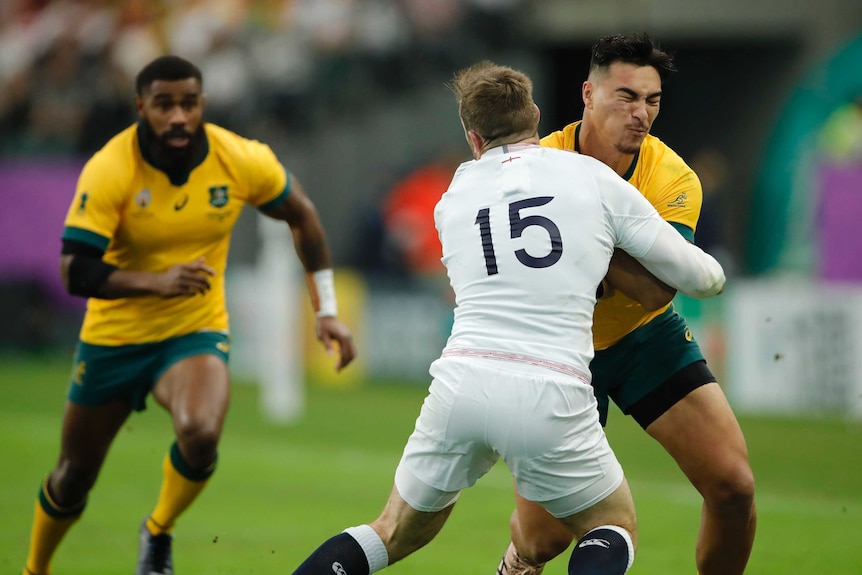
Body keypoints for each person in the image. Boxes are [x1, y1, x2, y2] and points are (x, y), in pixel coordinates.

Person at [289, 61, 725, 575]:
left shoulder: (452, 198)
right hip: (550, 386)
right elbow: (703, 279)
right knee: (612, 527)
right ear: (537, 115)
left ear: (473, 138)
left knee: (390, 531)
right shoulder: (588, 176)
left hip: (460, 385)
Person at [20, 55, 357, 575]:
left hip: (192, 331)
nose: (178, 116)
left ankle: (157, 531)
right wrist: (156, 282)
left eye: (189, 103)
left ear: (202, 104)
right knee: (72, 476)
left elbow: (303, 215)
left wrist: (326, 309)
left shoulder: (238, 158)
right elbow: (74, 270)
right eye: (164, 105)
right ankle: (35, 568)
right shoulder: (112, 167)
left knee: (200, 434)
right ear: (140, 107)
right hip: (113, 339)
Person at [495, 33, 756, 575]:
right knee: (545, 539)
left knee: (733, 486)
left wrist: (568, 239)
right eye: (626, 97)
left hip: (645, 338)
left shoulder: (673, 178)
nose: (641, 114)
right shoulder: (534, 162)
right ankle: (518, 559)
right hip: (558, 352)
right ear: (588, 94)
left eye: (652, 100)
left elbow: (658, 288)